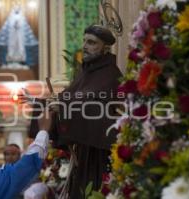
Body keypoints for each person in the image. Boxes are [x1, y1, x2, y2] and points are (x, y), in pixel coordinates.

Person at [29, 25, 123, 198]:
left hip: (99, 156)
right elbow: (64, 101)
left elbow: (108, 116)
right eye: (84, 41)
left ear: (105, 48)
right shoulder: (84, 74)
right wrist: (38, 103)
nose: (85, 46)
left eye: (92, 42)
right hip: (82, 152)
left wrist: (66, 109)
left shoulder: (111, 76)